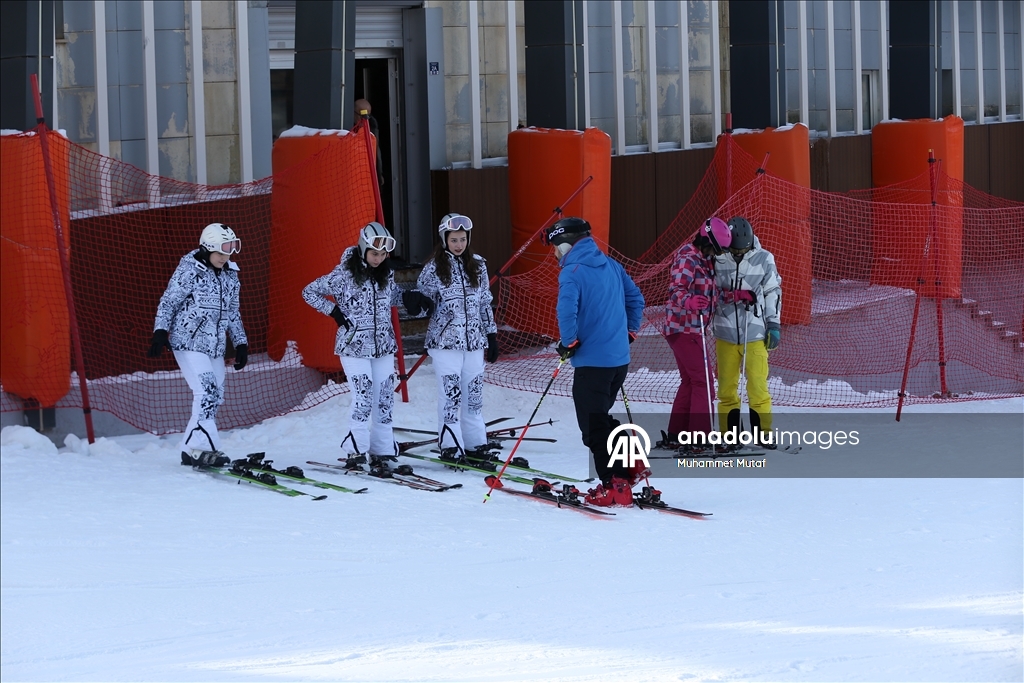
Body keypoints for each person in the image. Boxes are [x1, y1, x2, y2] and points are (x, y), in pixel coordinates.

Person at [545, 217, 645, 507]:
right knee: (600, 417)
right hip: (618, 362)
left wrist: (569, 343)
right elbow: (635, 300)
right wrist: (629, 333)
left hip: (592, 364)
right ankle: (627, 463)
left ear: (565, 245)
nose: (554, 254)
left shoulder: (572, 272)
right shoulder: (611, 264)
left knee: (592, 427)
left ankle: (611, 483)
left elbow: (566, 311)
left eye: (555, 247)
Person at [148, 223, 248, 466]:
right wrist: (160, 331)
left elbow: (233, 312)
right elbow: (169, 301)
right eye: (221, 253)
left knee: (214, 396)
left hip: (214, 345)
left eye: (229, 253)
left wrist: (241, 343)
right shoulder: (189, 270)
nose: (225, 258)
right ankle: (203, 446)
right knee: (208, 392)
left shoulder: (230, 275)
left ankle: (189, 449)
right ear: (207, 248)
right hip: (188, 341)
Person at [302, 222, 402, 465]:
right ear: (363, 249)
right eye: (374, 253)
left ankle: (382, 448)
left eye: (382, 254)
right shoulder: (343, 275)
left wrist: (410, 298)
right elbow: (309, 291)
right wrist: (334, 311)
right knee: (364, 396)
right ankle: (356, 448)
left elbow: (394, 295)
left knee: (385, 396)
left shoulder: (385, 274)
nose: (378, 259)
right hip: (354, 346)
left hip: (383, 346)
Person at [402, 213, 499, 460]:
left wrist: (491, 334)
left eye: (463, 239)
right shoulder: (433, 268)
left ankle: (476, 442)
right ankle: (451, 444)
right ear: (444, 239)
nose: (459, 244)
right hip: (445, 343)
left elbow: (485, 302)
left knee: (474, 396)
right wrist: (418, 304)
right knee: (451, 397)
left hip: (474, 342)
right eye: (454, 239)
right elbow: (424, 302)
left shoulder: (478, 264)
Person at [662, 217, 732, 450]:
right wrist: (689, 301)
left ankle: (677, 433)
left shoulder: (704, 259)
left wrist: (733, 297)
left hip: (691, 327)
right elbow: (676, 291)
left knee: (691, 381)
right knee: (704, 381)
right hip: (683, 327)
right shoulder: (688, 258)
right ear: (706, 241)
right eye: (716, 249)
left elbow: (709, 293)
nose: (717, 254)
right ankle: (699, 437)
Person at [712, 216, 782, 446]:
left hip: (755, 333)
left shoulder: (764, 258)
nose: (739, 253)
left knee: (758, 386)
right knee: (727, 389)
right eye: (735, 250)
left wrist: (773, 323)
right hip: (725, 333)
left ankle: (763, 433)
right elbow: (709, 290)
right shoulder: (719, 258)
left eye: (743, 249)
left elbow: (773, 291)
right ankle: (729, 436)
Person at [354, 98, 385, 187]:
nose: (364, 120)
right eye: (361, 116)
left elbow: (376, 154)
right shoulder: (345, 127)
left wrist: (379, 175)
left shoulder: (372, 127)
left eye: (367, 116)